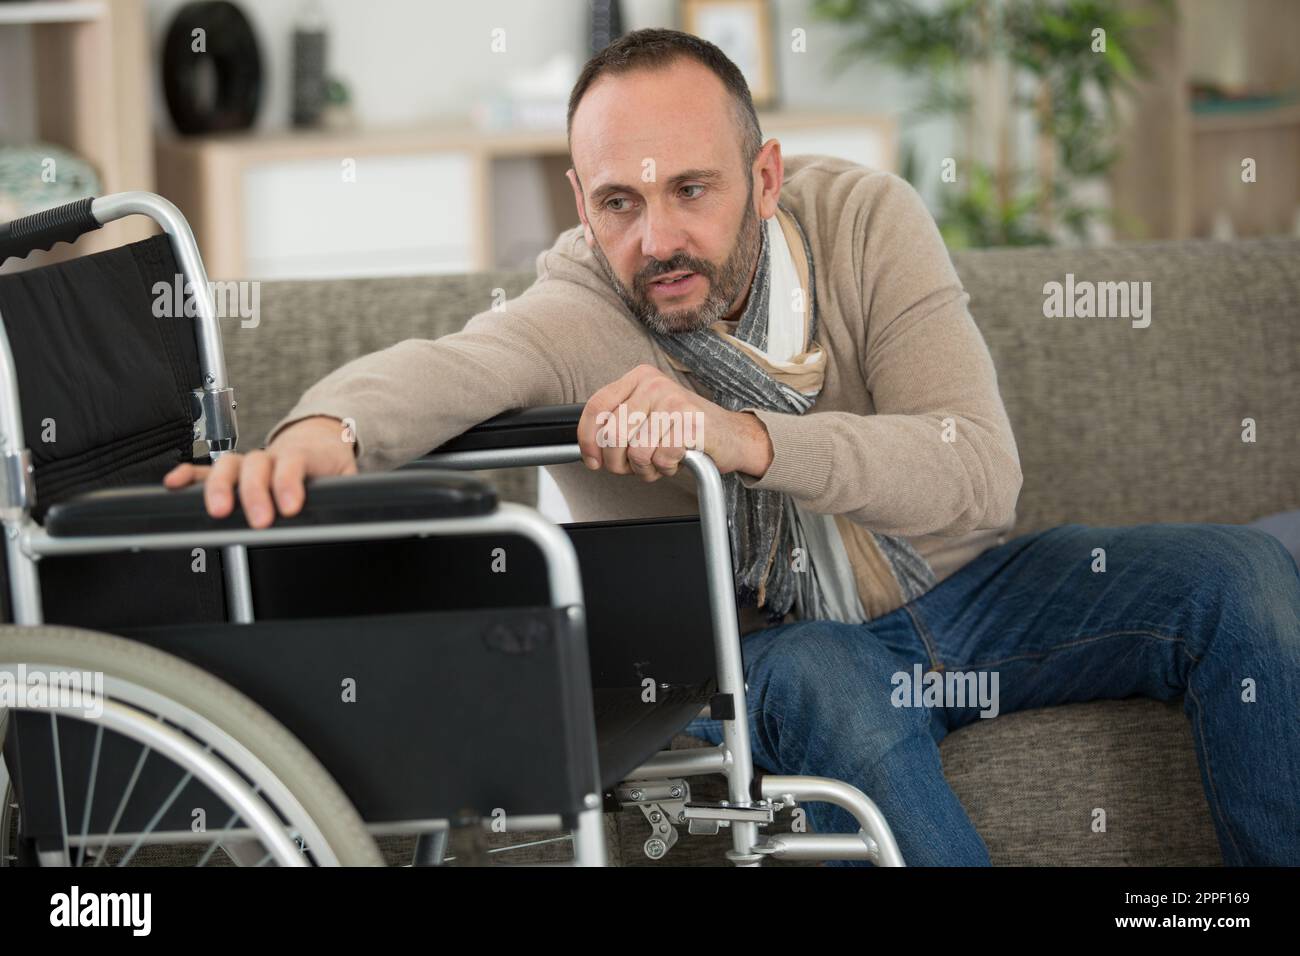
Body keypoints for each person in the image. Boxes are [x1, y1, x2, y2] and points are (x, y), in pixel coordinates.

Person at [164, 28, 1300, 865]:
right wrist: (316, 433)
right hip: (776, 646)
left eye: (690, 189)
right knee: (821, 678)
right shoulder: (582, 300)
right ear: (578, 198)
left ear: (764, 177)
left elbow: (973, 471)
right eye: (616, 201)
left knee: (1241, 576)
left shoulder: (865, 221)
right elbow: (444, 367)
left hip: (961, 595)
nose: (654, 236)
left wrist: (742, 438)